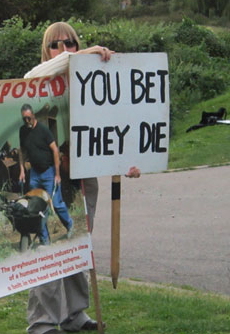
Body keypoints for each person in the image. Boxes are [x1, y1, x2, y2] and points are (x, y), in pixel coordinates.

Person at [24, 22, 139, 334]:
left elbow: (117, 122)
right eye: (56, 45)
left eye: (71, 43)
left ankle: (75, 315)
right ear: (46, 50)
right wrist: (82, 55)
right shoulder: (36, 81)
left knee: (77, 243)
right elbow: (34, 75)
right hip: (49, 178)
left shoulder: (93, 81)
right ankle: (43, 322)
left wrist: (130, 161)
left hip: (83, 178)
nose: (65, 49)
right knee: (49, 244)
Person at [18, 103, 72, 246]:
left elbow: (55, 150)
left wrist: (57, 174)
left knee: (55, 203)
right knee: (36, 207)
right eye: (24, 119)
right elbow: (21, 151)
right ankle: (44, 239)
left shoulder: (43, 130)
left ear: (33, 115)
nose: (27, 121)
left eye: (29, 118)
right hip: (35, 174)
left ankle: (69, 225)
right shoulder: (23, 131)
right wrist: (22, 170)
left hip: (49, 172)